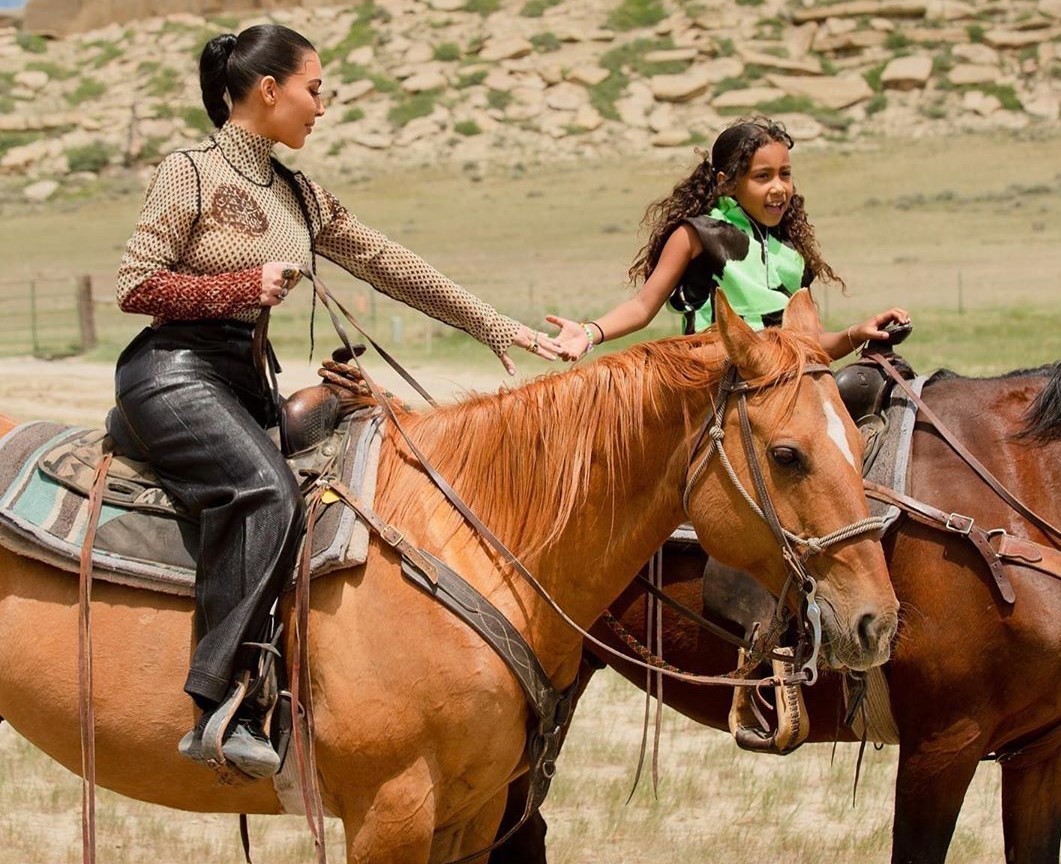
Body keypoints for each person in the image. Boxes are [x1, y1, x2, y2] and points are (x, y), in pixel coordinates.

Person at [110, 23, 567, 780]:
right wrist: (237, 287)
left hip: (243, 380)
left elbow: (390, 263)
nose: (322, 105)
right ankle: (219, 704)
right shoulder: (186, 172)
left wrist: (502, 326)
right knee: (264, 493)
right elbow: (134, 284)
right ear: (268, 90)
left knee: (365, 440)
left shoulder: (296, 191)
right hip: (172, 374)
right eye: (315, 89)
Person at [547, 117, 910, 361]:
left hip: (782, 382)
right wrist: (588, 332)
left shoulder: (791, 255)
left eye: (785, 174)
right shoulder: (697, 234)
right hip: (714, 377)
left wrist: (859, 333)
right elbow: (643, 307)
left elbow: (813, 343)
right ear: (726, 182)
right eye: (763, 176)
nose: (778, 187)